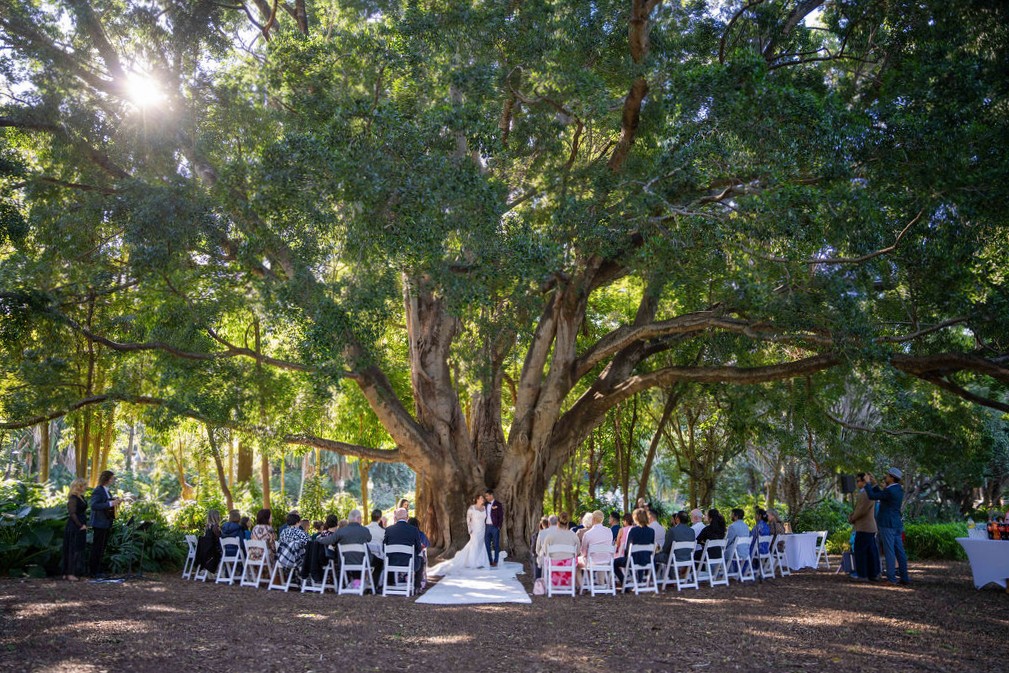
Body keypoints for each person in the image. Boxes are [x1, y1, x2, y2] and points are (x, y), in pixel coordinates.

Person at [865, 467, 910, 585]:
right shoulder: (898, 489)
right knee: (900, 551)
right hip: (896, 524)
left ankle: (891, 578)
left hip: (887, 524)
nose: (886, 477)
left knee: (889, 551)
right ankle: (904, 577)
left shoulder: (889, 491)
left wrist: (868, 483)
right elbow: (881, 494)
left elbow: (872, 496)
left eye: (887, 476)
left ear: (892, 477)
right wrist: (875, 484)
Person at [438, 494, 490, 573]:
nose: (483, 499)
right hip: (474, 529)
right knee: (474, 545)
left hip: (482, 529)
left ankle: (481, 562)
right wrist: (470, 529)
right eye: (481, 498)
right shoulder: (472, 508)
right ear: (477, 499)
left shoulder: (484, 508)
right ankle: (473, 562)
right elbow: (468, 519)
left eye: (483, 498)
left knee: (481, 544)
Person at [88, 470, 122, 577]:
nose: (113, 480)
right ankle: (93, 571)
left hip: (106, 523)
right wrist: (111, 503)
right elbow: (94, 505)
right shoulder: (98, 490)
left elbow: (107, 505)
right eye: (112, 478)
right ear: (107, 479)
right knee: (97, 547)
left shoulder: (107, 491)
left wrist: (115, 502)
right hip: (99, 523)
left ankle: (99, 570)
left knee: (102, 548)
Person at [849, 473, 880, 581]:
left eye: (858, 481)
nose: (857, 483)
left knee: (861, 551)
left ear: (863, 481)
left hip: (865, 526)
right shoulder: (865, 492)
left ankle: (862, 574)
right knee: (870, 551)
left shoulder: (866, 493)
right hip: (867, 527)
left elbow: (861, 509)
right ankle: (872, 573)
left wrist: (852, 518)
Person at [536, 515, 580, 590]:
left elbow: (543, 551)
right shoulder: (573, 535)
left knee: (543, 558)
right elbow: (577, 551)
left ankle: (542, 582)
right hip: (568, 564)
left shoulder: (547, 535)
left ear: (558, 523)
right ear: (567, 524)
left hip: (553, 562)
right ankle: (569, 584)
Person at [384, 508, 424, 590]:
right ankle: (417, 586)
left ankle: (390, 582)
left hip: (391, 563)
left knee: (388, 557)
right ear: (407, 517)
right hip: (409, 562)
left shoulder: (388, 529)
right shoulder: (414, 530)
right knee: (421, 559)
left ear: (395, 518)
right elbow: (419, 549)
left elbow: (383, 548)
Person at [614, 508, 655, 585]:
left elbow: (628, 548)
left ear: (635, 518)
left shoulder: (633, 530)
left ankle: (624, 583)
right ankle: (639, 581)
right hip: (647, 560)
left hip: (634, 560)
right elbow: (652, 547)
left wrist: (626, 557)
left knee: (613, 563)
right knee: (641, 555)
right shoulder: (651, 531)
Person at [62, 478, 88, 581]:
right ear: (79, 486)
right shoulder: (73, 498)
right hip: (74, 527)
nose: (86, 487)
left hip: (80, 525)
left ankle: (71, 572)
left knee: (78, 549)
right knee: (72, 549)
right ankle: (70, 573)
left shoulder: (81, 497)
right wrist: (80, 525)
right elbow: (72, 513)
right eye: (84, 485)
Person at [277, 511, 311, 580]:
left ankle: (294, 578)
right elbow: (309, 542)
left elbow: (279, 543)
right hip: (296, 560)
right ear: (298, 522)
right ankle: (306, 579)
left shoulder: (283, 532)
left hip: (283, 559)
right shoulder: (301, 532)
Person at [195, 509, 223, 575]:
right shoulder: (215, 527)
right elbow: (220, 537)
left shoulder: (208, 527)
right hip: (214, 551)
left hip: (207, 550)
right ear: (216, 517)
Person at [484, 489, 503, 567]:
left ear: (491, 495)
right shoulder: (485, 504)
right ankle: (490, 560)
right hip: (487, 527)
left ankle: (496, 561)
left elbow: (501, 516)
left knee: (496, 544)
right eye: (485, 496)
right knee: (487, 544)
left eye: (487, 496)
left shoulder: (498, 504)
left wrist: (498, 526)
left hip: (495, 527)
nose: (486, 497)